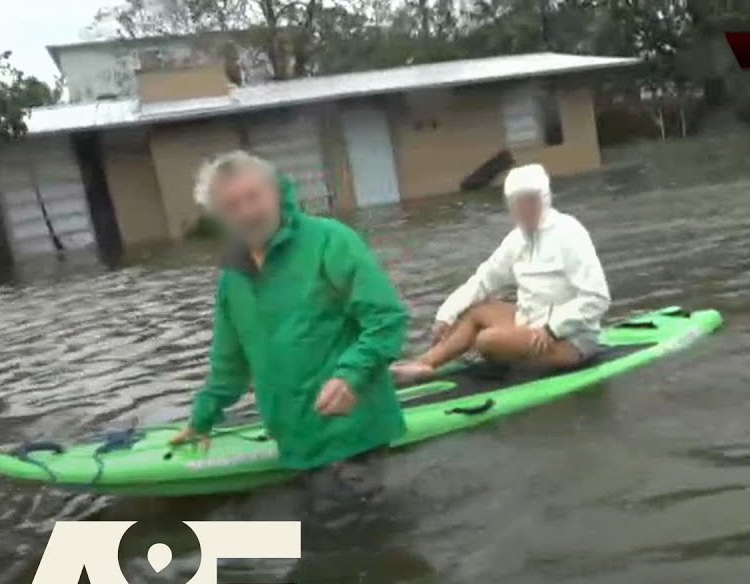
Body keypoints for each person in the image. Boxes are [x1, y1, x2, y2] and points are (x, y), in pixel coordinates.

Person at [170, 151, 410, 470]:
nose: (247, 211)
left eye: (254, 196)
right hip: (295, 444)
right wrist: (202, 418)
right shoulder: (233, 279)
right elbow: (230, 365)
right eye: (231, 205)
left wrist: (351, 376)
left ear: (277, 192)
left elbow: (386, 317)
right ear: (220, 217)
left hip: (352, 436)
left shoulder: (330, 241)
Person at [391, 164, 610, 383]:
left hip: (572, 338)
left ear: (544, 199)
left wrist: (552, 329)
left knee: (487, 341)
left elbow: (597, 298)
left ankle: (518, 361)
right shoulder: (516, 240)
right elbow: (483, 280)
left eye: (529, 200)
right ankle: (422, 365)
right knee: (477, 310)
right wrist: (446, 315)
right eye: (517, 203)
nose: (523, 209)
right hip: (531, 324)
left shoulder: (569, 233)